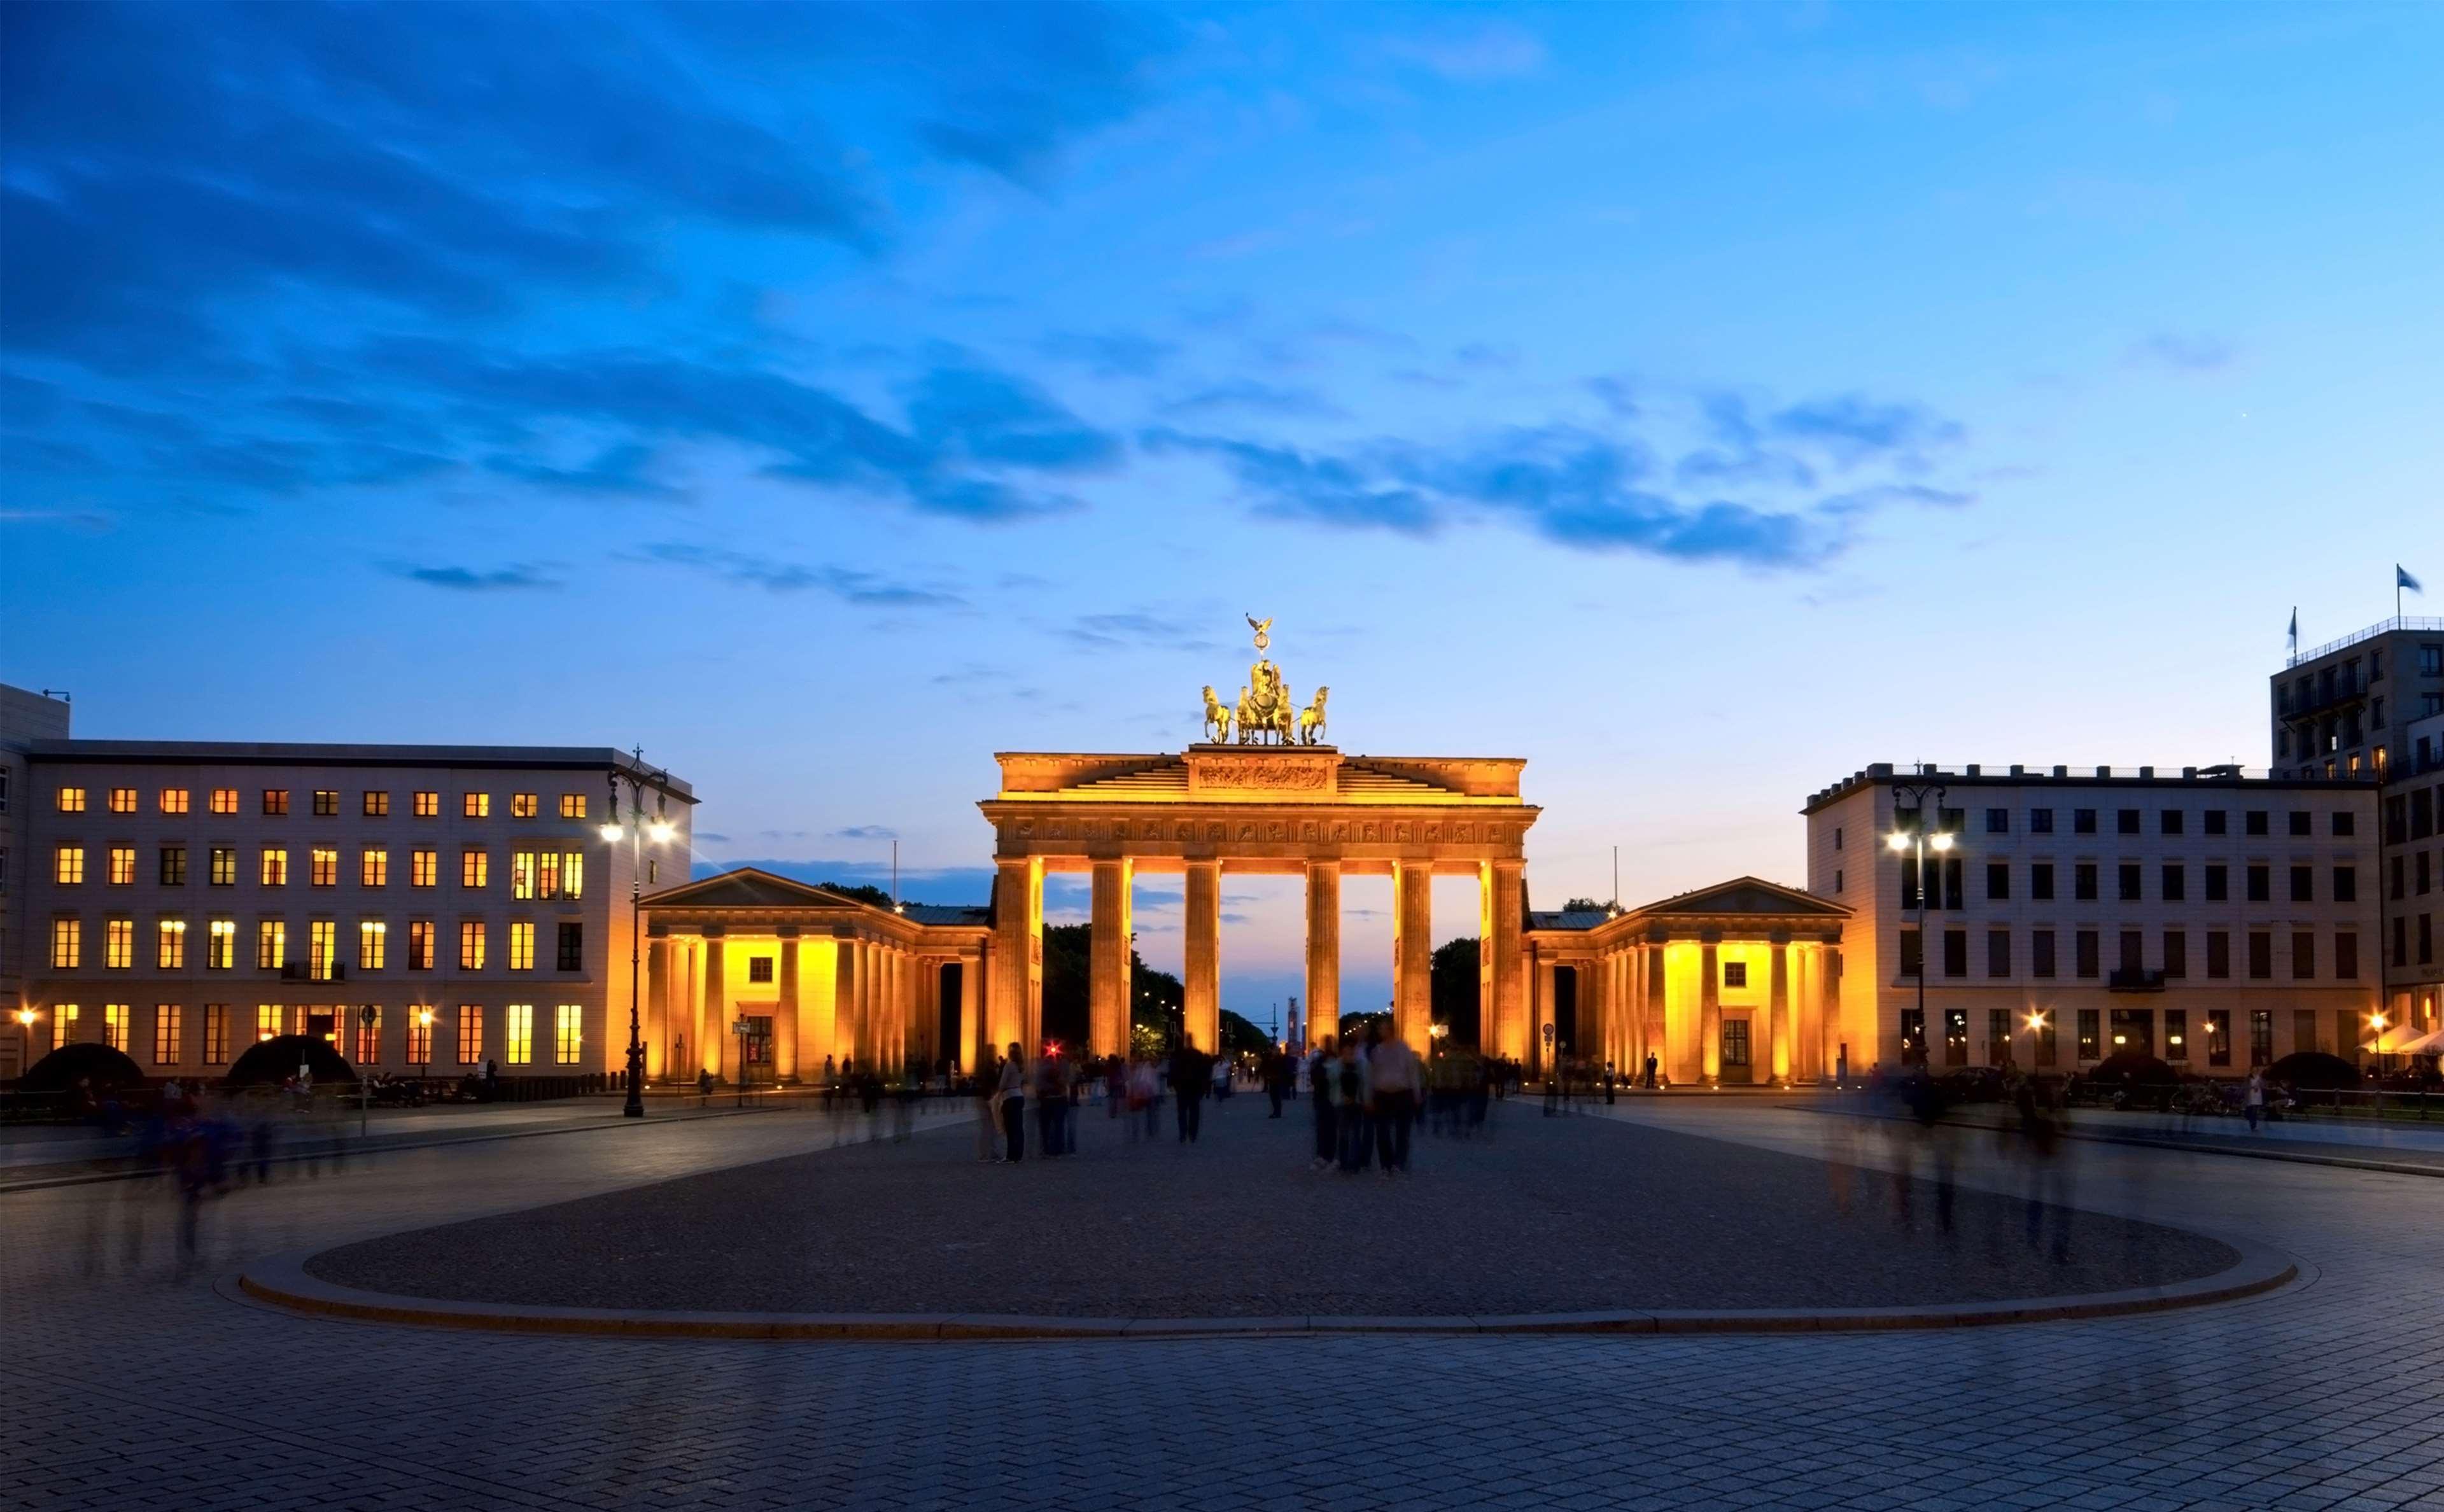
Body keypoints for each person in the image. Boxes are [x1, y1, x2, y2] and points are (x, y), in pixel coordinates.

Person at [1369, 1026, 1421, 1175]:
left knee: (1402, 1132)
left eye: (1385, 1029)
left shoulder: (1404, 1050)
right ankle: (1387, 1164)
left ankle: (1398, 1163)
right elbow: (1372, 1074)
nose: (1382, 1032)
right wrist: (1368, 1096)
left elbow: (1412, 1072)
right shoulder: (1377, 1051)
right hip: (1382, 1094)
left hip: (1402, 1094)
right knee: (1382, 1132)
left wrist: (1416, 1093)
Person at [1169, 1037, 1212, 1144]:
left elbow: (1173, 1070)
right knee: (1194, 1113)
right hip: (1195, 1088)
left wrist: (1172, 1084)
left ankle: (1183, 1135)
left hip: (1183, 1088)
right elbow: (1205, 1072)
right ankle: (1192, 1135)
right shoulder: (1198, 1055)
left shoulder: (1180, 1055)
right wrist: (1205, 1088)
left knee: (1182, 1113)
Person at [1308, 1038, 1338, 1170]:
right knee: (1322, 1128)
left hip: (1334, 1099)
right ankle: (1322, 1155)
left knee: (1331, 1129)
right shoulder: (1321, 1060)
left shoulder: (1337, 1060)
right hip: (1321, 1098)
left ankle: (1330, 1156)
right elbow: (1313, 1077)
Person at [996, 1042, 1026, 1162]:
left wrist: (999, 1092)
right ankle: (1018, 1155)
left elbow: (1002, 1084)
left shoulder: (1009, 1066)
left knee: (1010, 1128)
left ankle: (1010, 1156)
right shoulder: (1022, 1066)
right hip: (1019, 1096)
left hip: (1010, 1097)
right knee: (1019, 1127)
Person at [973, 1051, 1001, 1161]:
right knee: (991, 1128)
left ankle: (985, 1153)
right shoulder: (990, 1071)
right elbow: (993, 1086)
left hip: (984, 1099)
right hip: (989, 1100)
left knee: (987, 1128)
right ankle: (989, 1153)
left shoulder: (982, 1069)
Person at [2245, 1067, 2267, 1133]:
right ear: (2251, 1070)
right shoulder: (2249, 1078)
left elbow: (2263, 1086)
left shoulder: (2259, 1077)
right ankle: (2253, 1125)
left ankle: (2253, 1125)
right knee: (2253, 1111)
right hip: (2251, 1096)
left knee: (2255, 1111)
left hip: (2258, 1096)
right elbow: (2245, 1087)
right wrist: (2252, 1087)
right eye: (2253, 1070)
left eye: (2256, 1070)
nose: (2255, 1071)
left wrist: (2261, 1083)